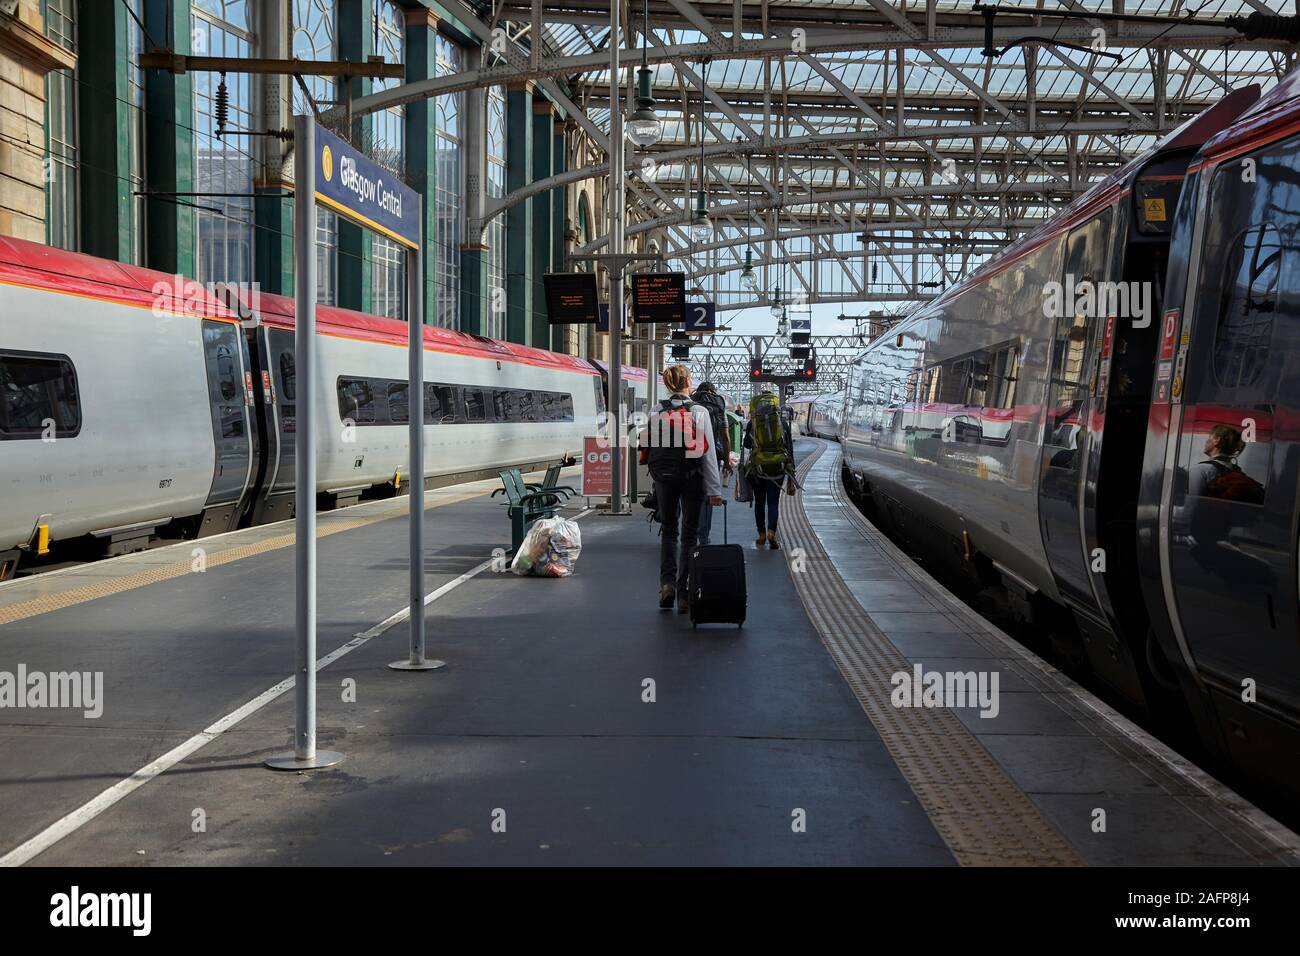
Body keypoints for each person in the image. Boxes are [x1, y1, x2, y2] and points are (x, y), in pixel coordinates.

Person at [643, 365, 724, 612]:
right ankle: (683, 593)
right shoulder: (698, 411)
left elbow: (650, 447)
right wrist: (714, 490)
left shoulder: (657, 410)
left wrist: (657, 482)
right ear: (688, 381)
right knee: (689, 534)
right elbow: (707, 455)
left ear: (668, 385)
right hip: (693, 477)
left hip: (665, 478)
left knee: (669, 531)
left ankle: (666, 584)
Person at [742, 392, 795, 550]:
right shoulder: (782, 423)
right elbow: (789, 448)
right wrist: (792, 472)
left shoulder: (753, 422)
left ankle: (761, 535)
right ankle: (772, 532)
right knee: (773, 502)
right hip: (777, 467)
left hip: (758, 468)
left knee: (759, 502)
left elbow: (746, 445)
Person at [690, 380, 732, 546]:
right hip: (712, 452)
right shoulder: (719, 403)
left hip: (690, 454)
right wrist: (727, 461)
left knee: (689, 495)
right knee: (708, 496)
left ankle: (690, 531)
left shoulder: (691, 402)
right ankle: (704, 537)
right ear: (713, 391)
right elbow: (726, 436)